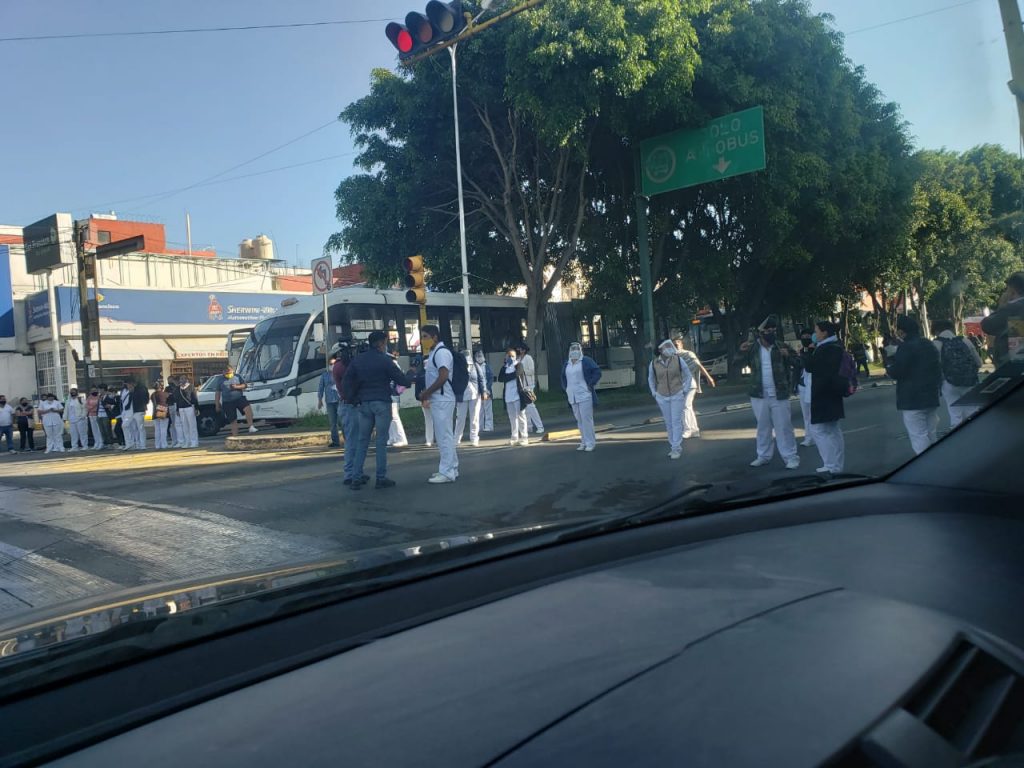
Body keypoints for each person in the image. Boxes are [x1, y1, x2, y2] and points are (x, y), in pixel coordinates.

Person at [342, 330, 411, 490]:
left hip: (364, 404)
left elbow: (346, 380)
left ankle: (356, 477)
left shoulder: (358, 360)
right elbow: (401, 380)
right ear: (381, 343)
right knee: (381, 441)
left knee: (362, 441)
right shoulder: (385, 360)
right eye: (385, 342)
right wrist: (411, 376)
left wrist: (353, 398)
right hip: (381, 402)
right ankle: (380, 478)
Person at [738, 316, 800, 470]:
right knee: (763, 426)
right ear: (760, 333)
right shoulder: (752, 348)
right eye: (768, 331)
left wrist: (788, 356)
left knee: (784, 426)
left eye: (773, 330)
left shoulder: (780, 346)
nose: (771, 333)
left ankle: (791, 457)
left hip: (779, 394)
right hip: (759, 394)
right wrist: (740, 352)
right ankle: (763, 455)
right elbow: (737, 364)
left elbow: (798, 362)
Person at [885, 315, 942, 455]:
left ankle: (925, 464)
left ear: (902, 332)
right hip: (931, 394)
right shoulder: (929, 344)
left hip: (912, 398)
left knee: (918, 435)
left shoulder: (905, 348)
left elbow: (897, 372)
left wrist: (890, 360)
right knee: (931, 433)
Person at [418, 325, 459, 483]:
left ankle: (447, 472)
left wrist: (427, 392)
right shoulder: (435, 352)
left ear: (435, 337)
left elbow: (443, 377)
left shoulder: (441, 353)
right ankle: (452, 468)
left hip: (442, 399)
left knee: (444, 437)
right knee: (445, 435)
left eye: (425, 336)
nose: (423, 340)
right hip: (440, 399)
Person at [807, 320, 846, 475]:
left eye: (816, 331)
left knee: (818, 429)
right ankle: (836, 465)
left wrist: (807, 353)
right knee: (833, 430)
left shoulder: (826, 349)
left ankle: (831, 464)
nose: (814, 335)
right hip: (833, 393)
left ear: (824, 333)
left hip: (824, 393)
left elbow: (811, 366)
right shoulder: (835, 346)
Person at [648, 340, 695, 459]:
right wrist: (654, 393)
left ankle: (676, 448)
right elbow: (651, 379)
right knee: (668, 422)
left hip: (677, 394)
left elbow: (688, 374)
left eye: (670, 346)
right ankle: (672, 445)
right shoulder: (654, 363)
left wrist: (684, 389)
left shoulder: (678, 360)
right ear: (660, 350)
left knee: (676, 421)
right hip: (662, 396)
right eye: (666, 347)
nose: (670, 348)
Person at [932, 319, 982, 429]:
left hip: (949, 383)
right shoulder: (965, 340)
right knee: (972, 410)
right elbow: (979, 363)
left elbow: (934, 367)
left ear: (936, 331)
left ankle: (957, 435)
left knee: (954, 412)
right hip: (970, 381)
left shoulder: (936, 344)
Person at [331, 341, 364, 487]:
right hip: (350, 406)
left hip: (349, 405)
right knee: (352, 442)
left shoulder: (340, 365)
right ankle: (350, 473)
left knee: (356, 441)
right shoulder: (341, 366)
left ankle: (357, 471)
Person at [561, 341, 602, 452]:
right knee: (579, 420)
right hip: (572, 396)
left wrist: (590, 384)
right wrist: (566, 388)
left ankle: (590, 442)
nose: (574, 351)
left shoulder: (586, 361)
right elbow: (563, 377)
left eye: (576, 349)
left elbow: (597, 372)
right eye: (572, 349)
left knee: (586, 419)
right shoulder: (567, 363)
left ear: (580, 350)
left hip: (585, 395)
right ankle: (583, 441)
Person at [980, 271, 1024, 367]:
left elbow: (987, 325)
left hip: (1014, 364)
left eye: (1007, 290)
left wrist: (1002, 305)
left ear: (1013, 291)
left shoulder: (1012, 308)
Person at [674, 337, 715, 439]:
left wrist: (709, 378)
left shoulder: (688, 354)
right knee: (688, 407)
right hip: (680, 385)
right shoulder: (673, 357)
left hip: (690, 384)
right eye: (673, 345)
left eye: (677, 344)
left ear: (681, 344)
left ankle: (687, 430)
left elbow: (698, 365)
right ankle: (695, 430)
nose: (676, 347)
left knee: (684, 406)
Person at [498, 346, 529, 447]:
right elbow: (500, 378)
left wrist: (507, 377)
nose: (511, 358)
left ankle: (524, 437)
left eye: (513, 356)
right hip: (508, 396)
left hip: (517, 395)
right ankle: (514, 437)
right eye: (509, 356)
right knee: (512, 418)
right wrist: (505, 366)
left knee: (521, 416)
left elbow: (516, 374)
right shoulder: (505, 367)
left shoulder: (518, 365)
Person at [214, 363, 257, 437]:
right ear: (223, 372)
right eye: (226, 372)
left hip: (239, 398)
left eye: (229, 372)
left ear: (232, 371)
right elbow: (218, 392)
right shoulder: (220, 380)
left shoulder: (237, 376)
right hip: (227, 402)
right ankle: (235, 437)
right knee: (233, 420)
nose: (228, 373)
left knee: (247, 408)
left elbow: (245, 385)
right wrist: (217, 404)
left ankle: (251, 426)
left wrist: (237, 387)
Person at [454, 350, 484, 447]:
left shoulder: (475, 366)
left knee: (474, 418)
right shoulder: (458, 367)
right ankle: (456, 438)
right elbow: (455, 381)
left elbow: (481, 379)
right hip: (462, 396)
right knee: (460, 418)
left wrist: (484, 392)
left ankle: (474, 438)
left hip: (475, 395)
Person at [515, 342, 545, 435]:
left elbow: (532, 371)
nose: (518, 350)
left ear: (524, 350)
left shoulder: (528, 358)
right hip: (521, 385)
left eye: (520, 349)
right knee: (525, 407)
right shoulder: (518, 359)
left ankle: (540, 426)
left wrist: (522, 371)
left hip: (528, 385)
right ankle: (529, 426)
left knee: (531, 406)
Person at [795, 329, 816, 447]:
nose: (806, 338)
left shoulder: (817, 349)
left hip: (814, 384)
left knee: (815, 412)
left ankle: (817, 436)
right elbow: (797, 369)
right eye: (803, 336)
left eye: (808, 336)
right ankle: (809, 437)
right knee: (806, 414)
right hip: (803, 385)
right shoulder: (801, 351)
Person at [386, 345, 409, 448]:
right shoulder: (390, 363)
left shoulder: (393, 364)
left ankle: (401, 438)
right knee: (389, 417)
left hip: (393, 393)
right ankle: (393, 437)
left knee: (394, 416)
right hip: (389, 392)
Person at [318, 355, 342, 448]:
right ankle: (335, 441)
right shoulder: (324, 375)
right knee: (332, 423)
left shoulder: (339, 373)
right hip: (330, 401)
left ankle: (348, 439)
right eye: (331, 364)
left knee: (342, 422)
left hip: (339, 400)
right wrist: (319, 400)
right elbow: (320, 388)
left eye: (334, 363)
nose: (332, 365)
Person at [409, 356, 434, 448]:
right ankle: (429, 439)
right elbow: (417, 392)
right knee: (428, 421)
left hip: (436, 400)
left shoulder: (436, 372)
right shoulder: (420, 374)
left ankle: (441, 439)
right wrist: (423, 400)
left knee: (440, 420)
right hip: (425, 401)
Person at [65, 387, 89, 451]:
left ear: (76, 392)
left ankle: (85, 446)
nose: (72, 392)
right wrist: (65, 418)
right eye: (71, 391)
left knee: (82, 433)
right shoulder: (68, 401)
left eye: (74, 391)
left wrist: (83, 416)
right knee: (73, 434)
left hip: (80, 419)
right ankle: (74, 447)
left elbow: (85, 408)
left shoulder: (80, 399)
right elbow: (66, 410)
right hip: (71, 420)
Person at [131, 377, 150, 449]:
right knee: (140, 428)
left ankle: (138, 444)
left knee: (136, 428)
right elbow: (147, 399)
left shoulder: (134, 391)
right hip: (141, 409)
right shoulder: (144, 389)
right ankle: (142, 445)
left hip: (135, 410)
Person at [151, 382, 170, 450]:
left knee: (157, 430)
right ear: (161, 387)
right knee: (163, 429)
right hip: (163, 411)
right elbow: (169, 400)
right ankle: (164, 444)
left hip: (155, 412)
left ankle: (157, 445)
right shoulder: (165, 394)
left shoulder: (152, 395)